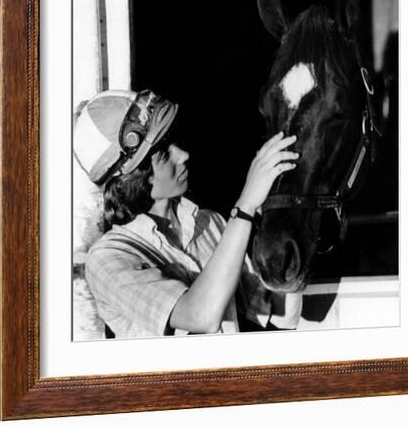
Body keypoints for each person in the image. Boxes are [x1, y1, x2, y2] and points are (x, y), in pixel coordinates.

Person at [74, 89, 302, 338]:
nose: (183, 155)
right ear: (131, 175)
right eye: (163, 152)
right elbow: (200, 316)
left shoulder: (211, 223)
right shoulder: (108, 258)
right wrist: (245, 207)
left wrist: (288, 214)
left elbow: (281, 314)